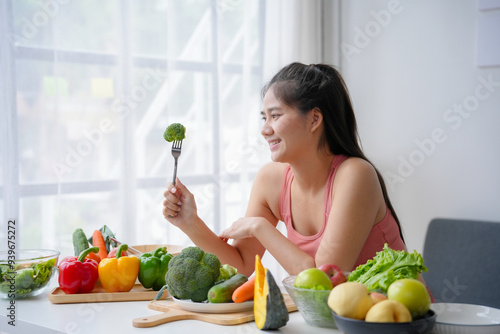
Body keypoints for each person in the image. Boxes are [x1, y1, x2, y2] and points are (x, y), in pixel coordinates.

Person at [162, 62, 406, 278]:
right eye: (263, 118)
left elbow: (324, 281)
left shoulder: (356, 175)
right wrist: (190, 222)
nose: (265, 130)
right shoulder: (271, 180)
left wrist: (260, 227)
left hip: (396, 318)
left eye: (275, 116)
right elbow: (242, 265)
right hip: (333, 321)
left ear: (314, 119)